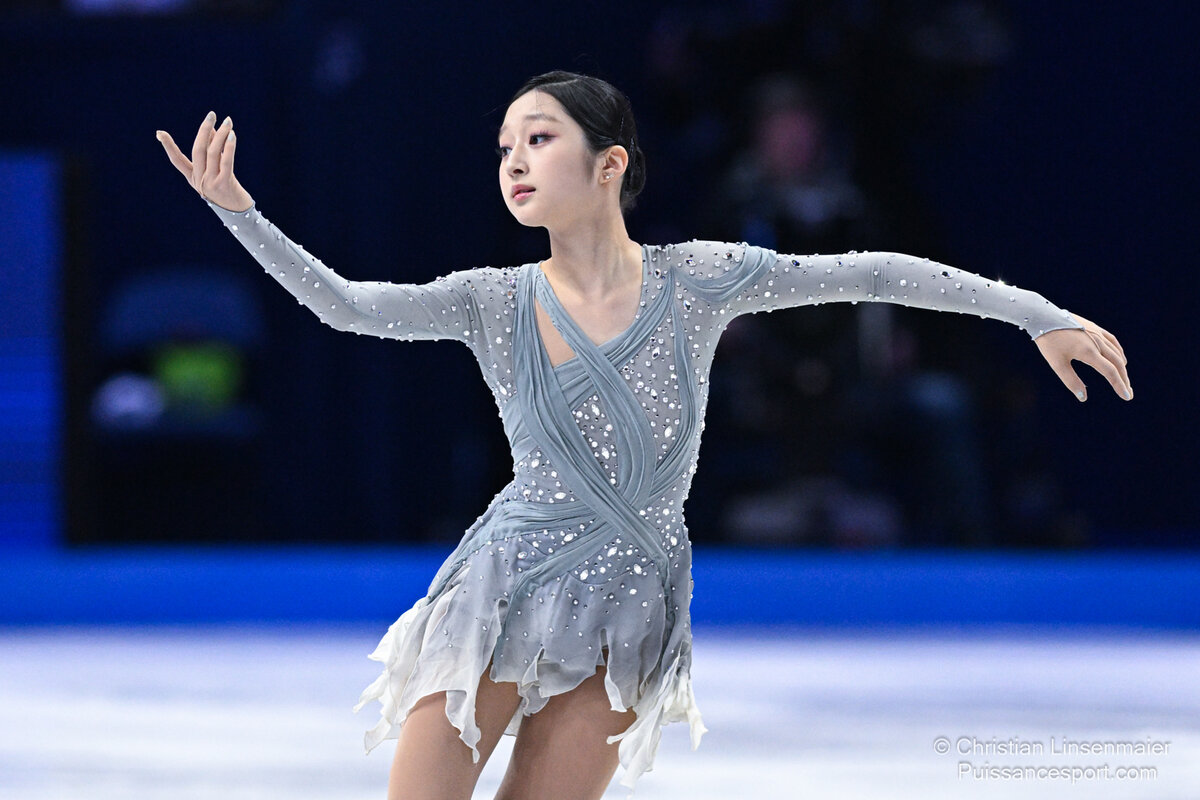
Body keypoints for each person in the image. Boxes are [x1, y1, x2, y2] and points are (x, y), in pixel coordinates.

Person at [156, 70, 1132, 800]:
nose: (514, 161)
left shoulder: (697, 279)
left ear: (610, 162)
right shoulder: (492, 299)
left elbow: (873, 272)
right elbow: (346, 305)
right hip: (501, 592)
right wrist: (242, 214)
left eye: (538, 139)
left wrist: (1036, 313)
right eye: (504, 147)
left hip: (629, 607)